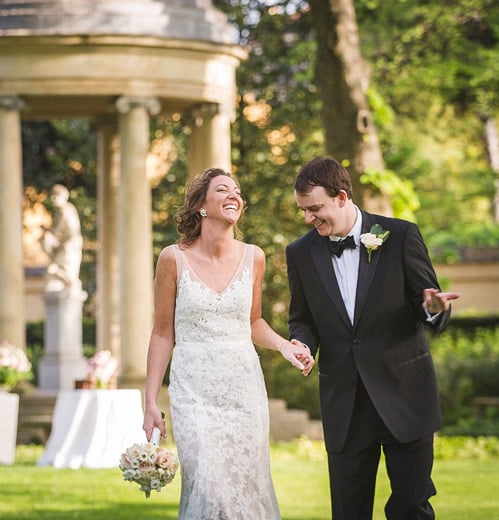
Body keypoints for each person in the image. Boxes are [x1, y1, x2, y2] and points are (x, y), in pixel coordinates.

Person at [285, 156, 460, 520]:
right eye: (303, 210)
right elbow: (302, 318)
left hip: (404, 394)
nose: (308, 219)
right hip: (345, 404)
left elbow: (427, 303)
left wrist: (432, 308)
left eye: (315, 208)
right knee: (348, 512)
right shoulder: (300, 253)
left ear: (342, 197)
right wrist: (300, 344)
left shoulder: (401, 236)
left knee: (411, 506)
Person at [143, 168, 311, 519]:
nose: (234, 195)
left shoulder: (255, 256)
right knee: (206, 485)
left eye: (237, 191)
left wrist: (283, 346)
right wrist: (150, 401)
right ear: (202, 205)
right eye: (223, 190)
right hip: (193, 391)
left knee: (247, 486)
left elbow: (253, 321)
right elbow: (162, 333)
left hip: (243, 389)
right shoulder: (173, 259)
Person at [39, 184, 83, 291]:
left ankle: (66, 278)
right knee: (44, 240)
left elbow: (70, 231)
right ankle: (61, 273)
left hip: (70, 246)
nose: (53, 198)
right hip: (65, 245)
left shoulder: (66, 210)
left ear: (64, 196)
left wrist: (51, 234)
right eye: (52, 195)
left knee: (56, 269)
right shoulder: (62, 211)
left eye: (56, 195)